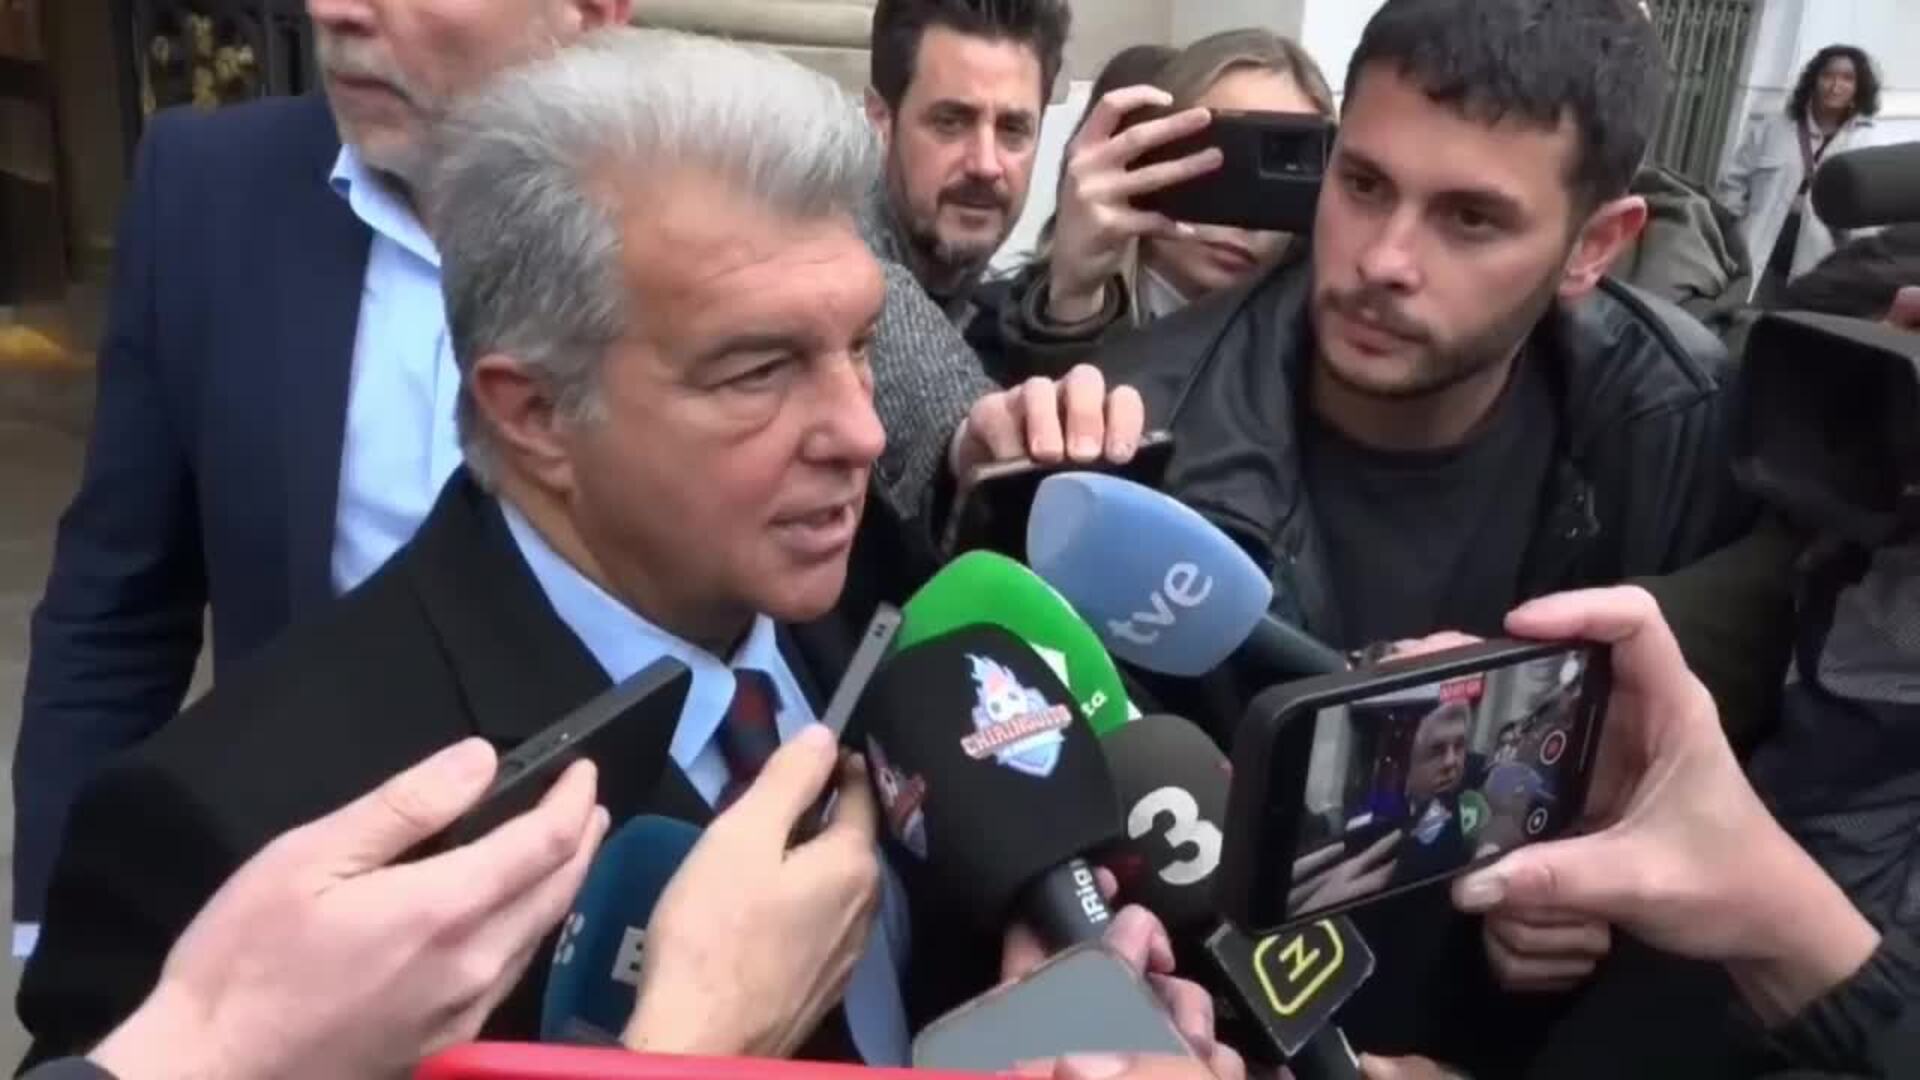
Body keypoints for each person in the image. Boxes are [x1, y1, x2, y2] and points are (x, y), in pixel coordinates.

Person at [16, 29, 1166, 1070]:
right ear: (534, 414)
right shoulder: (240, 842)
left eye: (859, 344)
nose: (861, 432)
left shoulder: (899, 602)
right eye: (758, 371)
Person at [1079, 0, 1748, 1068]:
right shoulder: (1138, 434)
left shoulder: (1677, 425)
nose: (1384, 259)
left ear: (1594, 245)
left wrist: (1599, 904)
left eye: (1470, 219)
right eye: (1363, 184)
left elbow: (1736, 817)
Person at [993, 29, 1338, 377]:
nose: (1247, 222)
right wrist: (1073, 301)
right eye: (1221, 163)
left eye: (1284, 171)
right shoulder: (991, 323)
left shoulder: (1314, 362)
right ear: (1148, 149)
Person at [860, 0, 1070, 329]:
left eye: (1012, 128)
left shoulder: (999, 298)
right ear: (880, 119)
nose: (986, 165)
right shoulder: (837, 289)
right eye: (950, 122)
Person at [1718, 45, 1883, 305]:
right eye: (1828, 75)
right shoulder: (1774, 128)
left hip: (1819, 267)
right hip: (1758, 256)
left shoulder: (1865, 142)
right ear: (1813, 80)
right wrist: (1735, 229)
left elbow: (1868, 215)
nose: (1835, 86)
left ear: (1858, 88)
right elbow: (1734, 181)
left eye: (1847, 78)